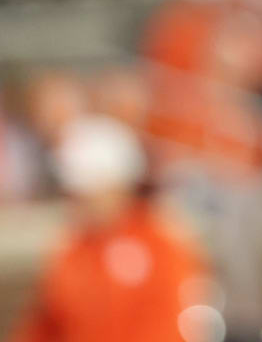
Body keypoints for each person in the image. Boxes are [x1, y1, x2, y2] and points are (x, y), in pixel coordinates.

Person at [10, 115, 209, 342]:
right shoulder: (72, 250)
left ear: (117, 185)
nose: (79, 202)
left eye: (86, 192)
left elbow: (175, 324)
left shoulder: (160, 242)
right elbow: (45, 324)